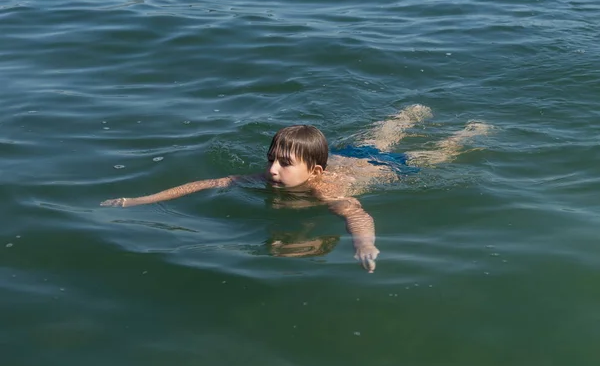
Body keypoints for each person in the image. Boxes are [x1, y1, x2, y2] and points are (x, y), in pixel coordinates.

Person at [101, 104, 490, 273]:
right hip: (343, 153)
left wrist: (363, 244)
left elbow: (356, 211)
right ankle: (407, 115)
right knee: (381, 135)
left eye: (284, 164)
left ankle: (469, 132)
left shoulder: (325, 191)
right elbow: (203, 183)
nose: (271, 170)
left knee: (433, 155)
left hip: (379, 168)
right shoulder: (270, 176)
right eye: (272, 159)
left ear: (312, 170)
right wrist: (138, 200)